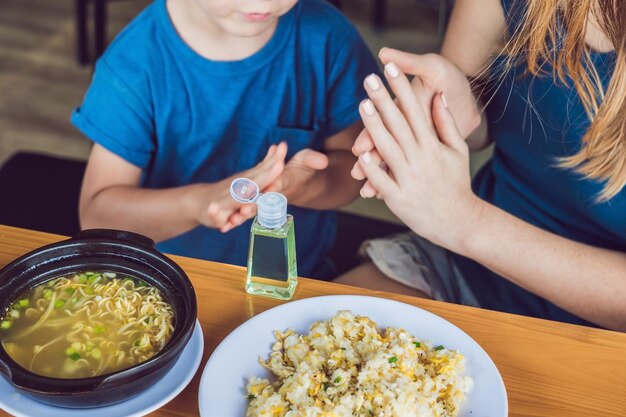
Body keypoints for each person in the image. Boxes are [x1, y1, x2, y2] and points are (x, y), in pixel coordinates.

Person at [336, 0, 626, 331]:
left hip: (599, 334)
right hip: (465, 269)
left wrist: (466, 222)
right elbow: (481, 110)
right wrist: (452, 102)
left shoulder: (465, 225)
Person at [72, 0, 379, 279]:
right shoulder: (134, 63)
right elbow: (98, 214)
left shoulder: (327, 37)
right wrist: (200, 204)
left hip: (297, 280)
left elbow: (351, 164)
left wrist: (306, 187)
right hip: (167, 286)